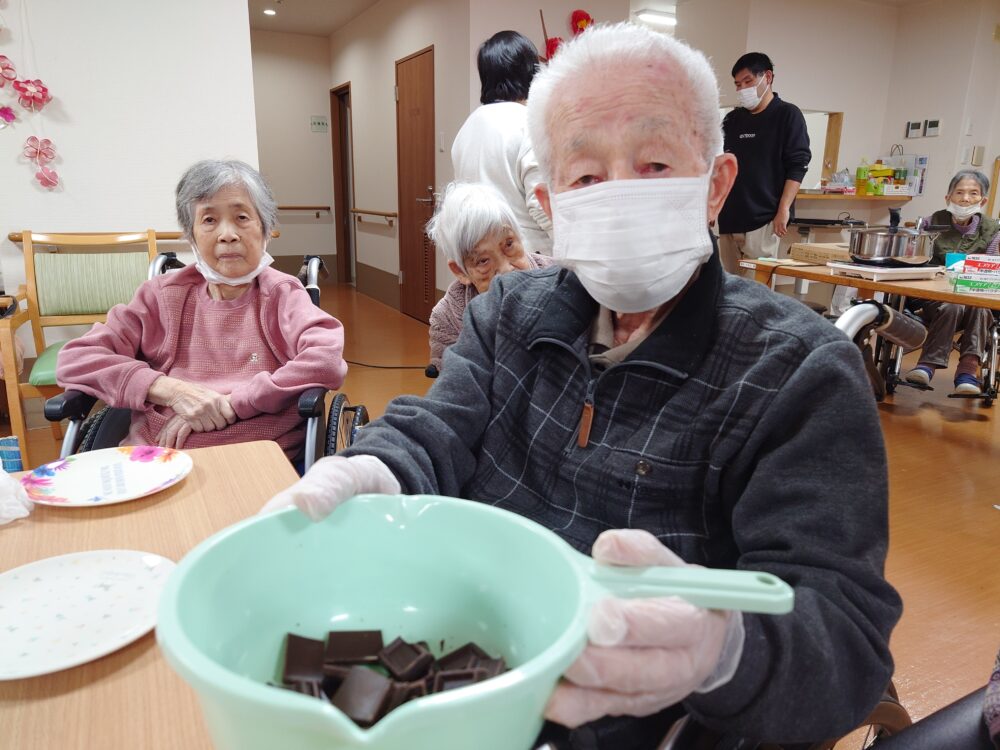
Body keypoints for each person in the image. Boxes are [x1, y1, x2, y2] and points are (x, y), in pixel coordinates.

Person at [262, 24, 900, 749]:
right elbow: (436, 429)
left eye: (656, 163)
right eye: (588, 177)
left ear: (715, 184)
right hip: (470, 678)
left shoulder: (799, 374)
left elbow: (844, 637)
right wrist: (369, 466)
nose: (621, 194)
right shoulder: (506, 313)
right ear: (550, 201)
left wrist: (719, 652)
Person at [56, 159, 347, 459]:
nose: (227, 234)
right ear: (191, 234)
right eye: (209, 220)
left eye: (242, 217)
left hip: (254, 456)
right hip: (154, 456)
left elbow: (324, 360)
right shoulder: (162, 295)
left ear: (265, 228)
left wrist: (232, 404)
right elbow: (76, 359)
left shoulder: (282, 295)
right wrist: (170, 390)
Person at [426, 182, 554, 371]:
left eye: (509, 244)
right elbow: (453, 386)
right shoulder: (447, 318)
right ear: (461, 272)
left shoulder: (562, 280)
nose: (506, 270)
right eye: (483, 261)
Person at [451, 30, 553, 255]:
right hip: (527, 259)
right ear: (529, 72)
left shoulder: (466, 129)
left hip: (482, 258)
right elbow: (541, 205)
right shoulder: (527, 123)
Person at [904, 169, 999, 394]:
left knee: (978, 306)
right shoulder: (929, 223)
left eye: (973, 194)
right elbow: (913, 260)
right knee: (953, 305)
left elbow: (994, 270)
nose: (966, 199)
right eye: (959, 192)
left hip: (976, 300)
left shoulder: (993, 230)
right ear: (948, 197)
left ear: (983, 200)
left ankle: (965, 371)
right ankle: (929, 367)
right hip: (932, 300)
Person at [717, 52, 810, 275]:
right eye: (738, 84)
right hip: (729, 219)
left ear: (767, 77)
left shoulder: (787, 115)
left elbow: (798, 164)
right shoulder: (732, 120)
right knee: (728, 291)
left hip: (763, 219)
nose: (742, 89)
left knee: (757, 292)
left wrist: (784, 209)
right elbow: (718, 164)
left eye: (748, 81)